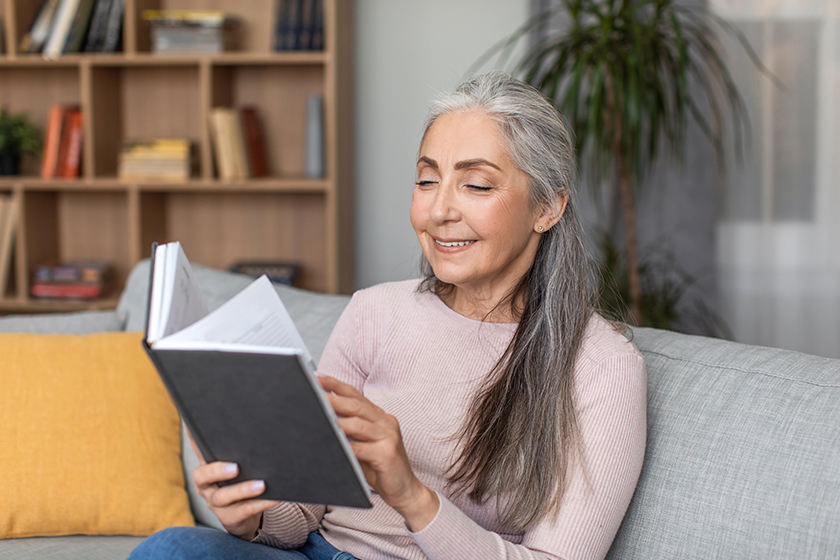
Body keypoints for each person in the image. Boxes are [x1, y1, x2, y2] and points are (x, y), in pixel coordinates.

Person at [129, 71, 646, 560]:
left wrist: (412, 496)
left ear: (547, 209)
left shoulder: (601, 366)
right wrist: (249, 516)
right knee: (171, 550)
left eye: (477, 185)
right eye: (427, 181)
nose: (438, 210)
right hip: (320, 552)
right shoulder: (375, 312)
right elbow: (303, 514)